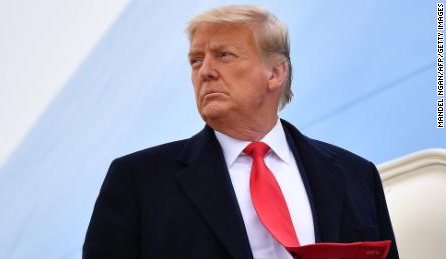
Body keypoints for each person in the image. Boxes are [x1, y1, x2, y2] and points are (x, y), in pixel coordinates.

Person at [83, 5, 399, 259]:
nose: (204, 71)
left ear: (275, 73)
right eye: (195, 60)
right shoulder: (138, 182)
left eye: (224, 55)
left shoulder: (358, 176)